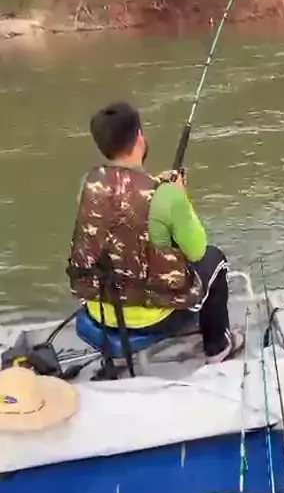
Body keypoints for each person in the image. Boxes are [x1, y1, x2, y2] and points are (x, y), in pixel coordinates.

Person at [67, 101, 244, 365]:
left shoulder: (89, 185)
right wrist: (180, 198)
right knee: (214, 259)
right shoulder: (168, 198)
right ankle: (218, 348)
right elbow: (197, 249)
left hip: (98, 309)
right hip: (152, 318)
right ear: (140, 137)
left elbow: (124, 205)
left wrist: (159, 185)